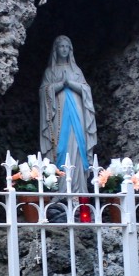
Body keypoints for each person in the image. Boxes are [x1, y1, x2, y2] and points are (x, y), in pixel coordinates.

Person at [38, 35, 97, 194]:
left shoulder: (76, 71)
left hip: (77, 115)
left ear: (70, 50)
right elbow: (43, 92)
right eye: (61, 46)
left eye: (66, 46)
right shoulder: (50, 71)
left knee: (78, 148)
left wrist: (70, 83)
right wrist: (58, 85)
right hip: (59, 116)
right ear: (56, 50)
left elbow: (86, 91)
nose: (63, 49)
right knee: (61, 148)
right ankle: (62, 191)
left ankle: (80, 190)